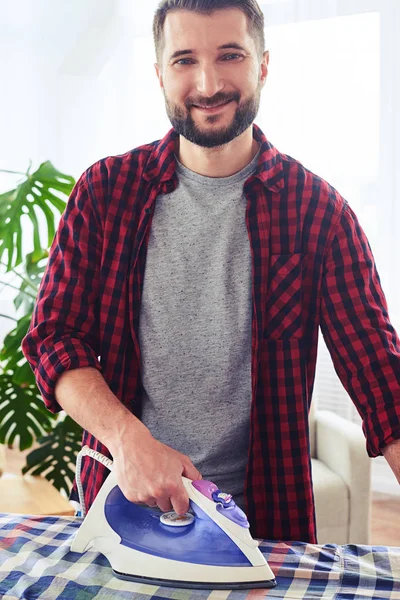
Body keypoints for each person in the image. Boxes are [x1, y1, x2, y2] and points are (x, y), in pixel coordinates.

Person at [22, 0, 400, 544]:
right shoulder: (104, 194)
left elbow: (380, 379)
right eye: (183, 60)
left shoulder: (321, 214)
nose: (207, 83)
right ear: (158, 74)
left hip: (267, 525)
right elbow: (55, 340)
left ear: (262, 65)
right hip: (120, 504)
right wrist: (128, 439)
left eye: (229, 55)